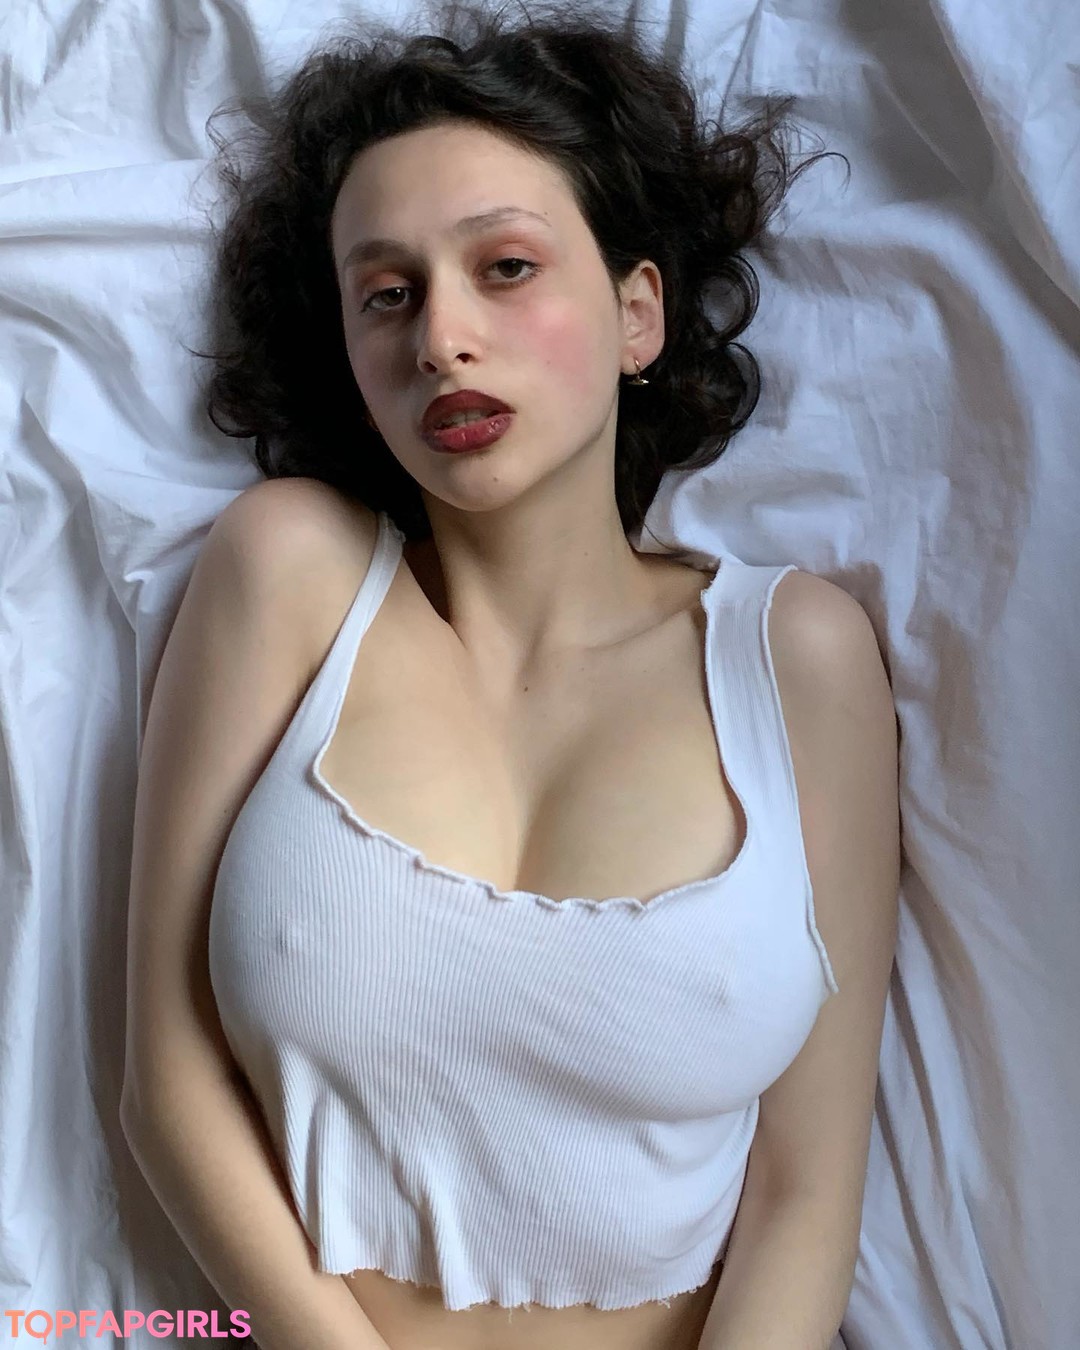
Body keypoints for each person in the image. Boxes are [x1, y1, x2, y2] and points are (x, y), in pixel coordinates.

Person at [120, 2, 900, 1348]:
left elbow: (806, 1192)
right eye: (388, 293)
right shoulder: (288, 574)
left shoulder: (793, 658)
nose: (442, 337)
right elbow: (168, 1085)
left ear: (638, 313)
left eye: (507, 267)